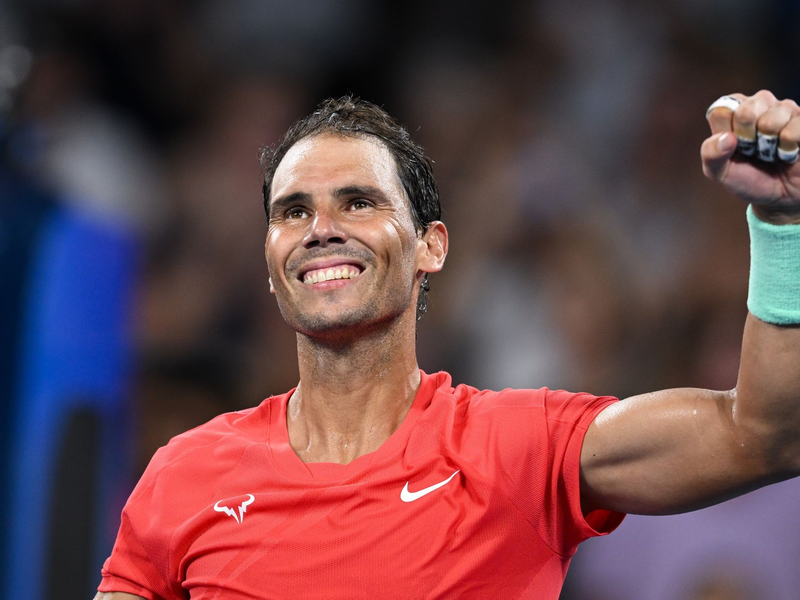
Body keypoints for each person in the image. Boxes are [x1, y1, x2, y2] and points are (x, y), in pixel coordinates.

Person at [95, 91, 800, 600]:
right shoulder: (184, 474)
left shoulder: (520, 448)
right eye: (294, 211)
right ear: (271, 261)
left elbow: (764, 434)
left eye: (358, 201)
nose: (321, 229)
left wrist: (781, 224)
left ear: (431, 247)